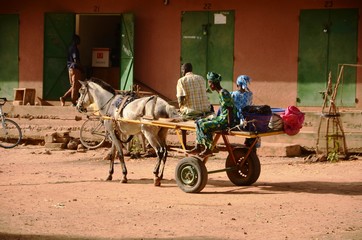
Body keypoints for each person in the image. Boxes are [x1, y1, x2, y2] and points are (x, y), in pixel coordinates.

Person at [187, 72, 239, 157]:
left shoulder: (223, 93)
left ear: (213, 84)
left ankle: (209, 149)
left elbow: (230, 109)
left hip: (224, 122)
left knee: (204, 125)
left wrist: (229, 125)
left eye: (209, 82)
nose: (209, 85)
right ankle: (198, 146)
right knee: (198, 122)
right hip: (221, 119)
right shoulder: (221, 92)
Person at [60, 34, 82, 107]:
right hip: (75, 68)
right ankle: (73, 101)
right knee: (75, 86)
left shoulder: (70, 47)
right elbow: (75, 59)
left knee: (75, 85)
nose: (80, 41)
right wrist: (81, 67)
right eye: (78, 40)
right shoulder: (74, 48)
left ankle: (64, 98)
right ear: (75, 40)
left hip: (70, 68)